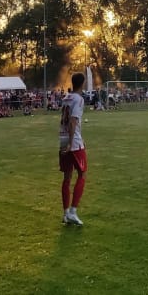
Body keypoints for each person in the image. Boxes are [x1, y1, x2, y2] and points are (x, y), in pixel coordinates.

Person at [59, 72, 87, 226]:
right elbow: (72, 121)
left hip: (63, 138)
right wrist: (72, 142)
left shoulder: (66, 98)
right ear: (82, 84)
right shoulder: (79, 99)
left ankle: (65, 214)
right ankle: (73, 211)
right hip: (73, 142)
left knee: (67, 177)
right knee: (82, 174)